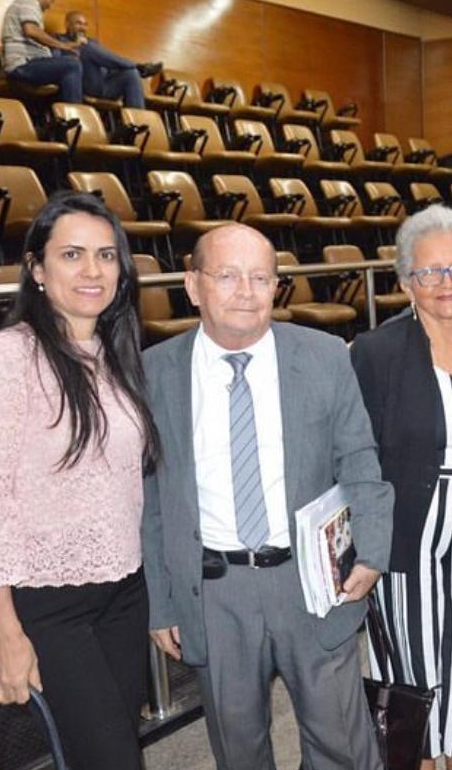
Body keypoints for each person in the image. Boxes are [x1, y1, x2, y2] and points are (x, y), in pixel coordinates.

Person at [140, 224, 391, 770]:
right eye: (227, 276)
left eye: (260, 278)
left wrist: (372, 551)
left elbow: (359, 457)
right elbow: (151, 498)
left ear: (277, 287)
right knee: (240, 751)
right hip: (215, 592)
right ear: (193, 284)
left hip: (312, 582)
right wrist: (161, 600)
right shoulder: (154, 372)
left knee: (344, 746)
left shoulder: (325, 355)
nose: (246, 292)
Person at [0, 191, 160, 770]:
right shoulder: (2, 360)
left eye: (106, 255)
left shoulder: (115, 358)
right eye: (72, 255)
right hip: (49, 606)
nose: (93, 270)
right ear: (37, 269)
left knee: (111, 751)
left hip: (124, 592)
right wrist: (4, 632)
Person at [351, 205, 452, 770]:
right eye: (430, 272)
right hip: (409, 537)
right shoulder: (375, 353)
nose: (447, 283)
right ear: (405, 282)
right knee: (412, 673)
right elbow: (355, 458)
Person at [0, 0, 83, 102]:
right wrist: (63, 45)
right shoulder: (29, 1)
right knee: (72, 65)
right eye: (51, 0)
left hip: (28, 62)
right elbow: (31, 30)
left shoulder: (23, 2)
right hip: (22, 65)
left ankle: (62, 112)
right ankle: (73, 111)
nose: (50, 6)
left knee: (68, 65)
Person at [57, 10, 161, 109]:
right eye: (78, 23)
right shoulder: (59, 40)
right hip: (84, 85)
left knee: (132, 74)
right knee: (87, 48)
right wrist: (77, 45)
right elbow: (60, 61)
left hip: (106, 84)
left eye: (85, 24)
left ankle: (137, 119)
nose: (82, 28)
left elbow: (107, 61)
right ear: (67, 24)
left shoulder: (92, 42)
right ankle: (139, 67)